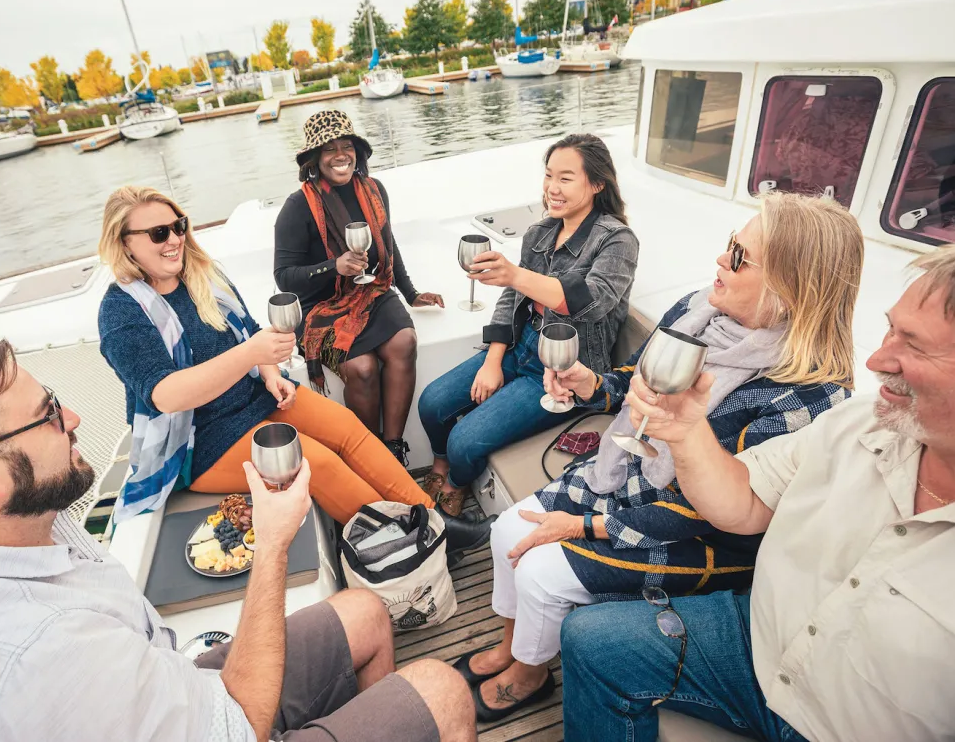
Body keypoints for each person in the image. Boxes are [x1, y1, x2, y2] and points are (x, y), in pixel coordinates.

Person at [0, 335, 478, 742]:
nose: (74, 417)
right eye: (47, 413)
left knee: (365, 611)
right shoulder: (44, 653)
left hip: (168, 697)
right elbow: (240, 726)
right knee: (442, 690)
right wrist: (273, 542)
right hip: (224, 726)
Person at [559, 230, 955, 742]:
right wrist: (686, 433)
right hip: (755, 640)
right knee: (590, 639)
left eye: (916, 346)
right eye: (890, 331)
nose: (877, 361)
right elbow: (744, 503)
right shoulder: (862, 421)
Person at [455, 193, 864, 722]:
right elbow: (636, 382)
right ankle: (515, 650)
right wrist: (590, 385)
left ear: (789, 291)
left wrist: (584, 526)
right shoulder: (700, 311)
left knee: (541, 573)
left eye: (739, 257)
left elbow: (718, 512)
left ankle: (529, 676)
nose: (721, 260)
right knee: (507, 529)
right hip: (635, 474)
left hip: (702, 531)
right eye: (728, 246)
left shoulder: (806, 394)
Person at [95, 185, 489, 554]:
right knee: (319, 463)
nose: (175, 239)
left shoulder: (201, 273)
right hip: (199, 440)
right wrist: (252, 355)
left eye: (178, 226)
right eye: (159, 233)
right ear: (124, 242)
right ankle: (415, 546)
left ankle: (432, 521)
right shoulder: (121, 311)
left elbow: (248, 331)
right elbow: (165, 395)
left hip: (255, 397)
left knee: (350, 430)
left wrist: (268, 373)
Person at [417, 133, 640, 518]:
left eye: (566, 178)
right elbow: (511, 299)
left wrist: (515, 274)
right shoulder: (541, 232)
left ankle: (454, 483)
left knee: (464, 441)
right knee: (432, 403)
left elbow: (590, 302)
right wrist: (493, 360)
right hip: (521, 345)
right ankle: (439, 468)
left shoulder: (618, 241)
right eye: (549, 175)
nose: (552, 188)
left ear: (597, 183)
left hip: (565, 370)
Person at [274, 109, 444, 466]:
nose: (341, 155)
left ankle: (393, 449)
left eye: (347, 145)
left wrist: (410, 292)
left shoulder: (373, 189)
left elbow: (388, 242)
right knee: (362, 369)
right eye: (329, 148)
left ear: (359, 151)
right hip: (321, 308)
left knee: (404, 341)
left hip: (370, 293)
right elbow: (284, 276)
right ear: (314, 159)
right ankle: (371, 458)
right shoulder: (297, 206)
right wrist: (332, 266)